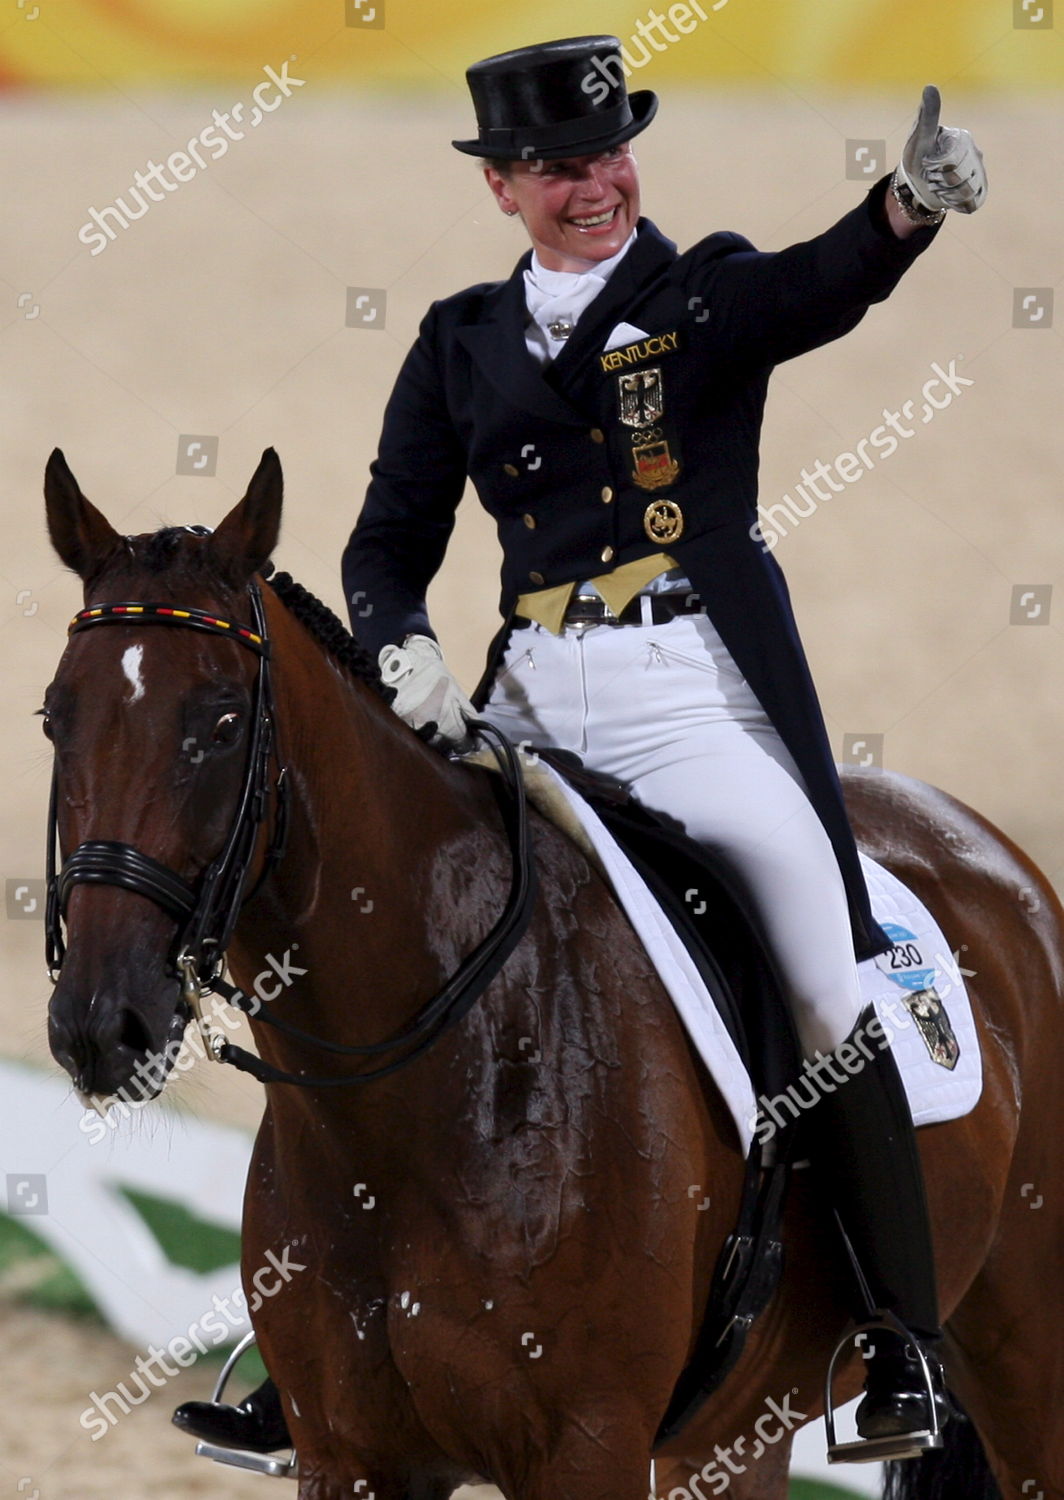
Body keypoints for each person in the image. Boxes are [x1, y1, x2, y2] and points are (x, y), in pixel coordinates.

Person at [174, 36, 986, 1461]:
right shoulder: (459, 342)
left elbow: (818, 288)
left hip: (692, 690)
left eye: (609, 155)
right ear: (501, 187)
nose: (592, 185)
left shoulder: (700, 294)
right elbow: (387, 537)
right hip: (533, 691)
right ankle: (305, 1347)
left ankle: (899, 1339)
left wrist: (900, 213)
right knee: (374, 946)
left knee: (819, 962)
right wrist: (400, 646)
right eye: (556, 168)